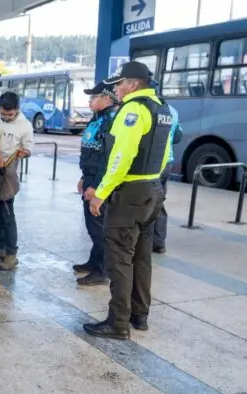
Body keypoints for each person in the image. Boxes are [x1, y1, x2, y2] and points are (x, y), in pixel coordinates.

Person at [84, 61, 171, 339]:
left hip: (130, 194)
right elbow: (165, 153)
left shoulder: (133, 110)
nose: (117, 90)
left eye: (119, 84)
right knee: (142, 258)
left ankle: (117, 322)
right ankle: (139, 314)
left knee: (120, 258)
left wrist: (101, 193)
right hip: (153, 191)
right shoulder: (162, 109)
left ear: (132, 83)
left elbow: (120, 158)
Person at [74, 82, 120, 287]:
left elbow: (108, 158)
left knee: (98, 228)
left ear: (108, 99)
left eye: (94, 97)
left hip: (98, 183)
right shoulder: (97, 119)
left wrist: (97, 186)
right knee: (92, 226)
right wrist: (85, 179)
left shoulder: (111, 121)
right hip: (90, 178)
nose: (90, 100)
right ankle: (94, 262)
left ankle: (102, 270)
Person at [0, 92, 33, 270]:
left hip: (7, 174)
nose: (6, 117)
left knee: (7, 214)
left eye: (10, 114)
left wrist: (24, 152)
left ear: (17, 110)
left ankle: (12, 253)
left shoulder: (25, 125)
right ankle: (1, 249)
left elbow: (29, 147)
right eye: (3, 113)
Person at [153, 93, 182, 254]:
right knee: (159, 202)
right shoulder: (172, 110)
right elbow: (178, 135)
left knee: (147, 203)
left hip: (154, 165)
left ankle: (146, 241)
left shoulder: (148, 109)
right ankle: (159, 242)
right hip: (168, 162)